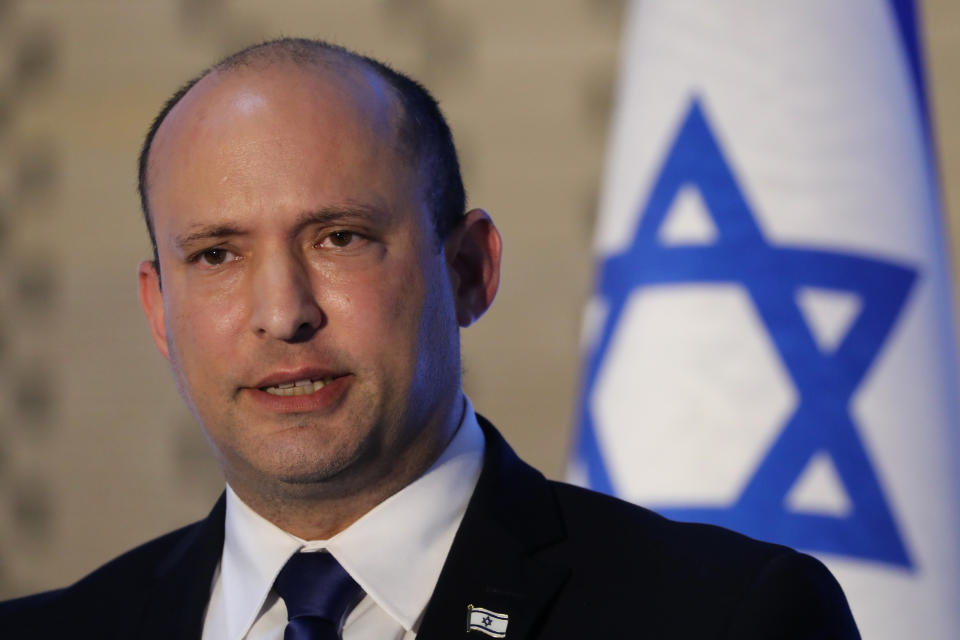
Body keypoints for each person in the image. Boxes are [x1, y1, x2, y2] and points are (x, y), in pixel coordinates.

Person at [0, 38, 860, 639]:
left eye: (338, 238)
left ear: (468, 270)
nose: (283, 312)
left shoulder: (728, 617)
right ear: (159, 310)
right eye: (217, 254)